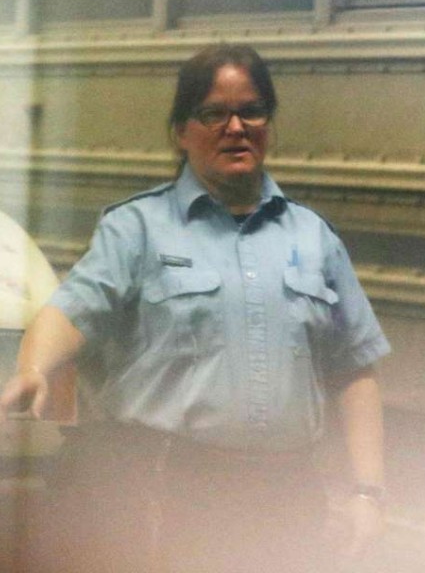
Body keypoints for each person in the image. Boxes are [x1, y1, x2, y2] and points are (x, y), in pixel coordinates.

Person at [0, 44, 390, 573]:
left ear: (268, 123)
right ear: (181, 131)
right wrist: (32, 367)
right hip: (166, 491)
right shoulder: (138, 228)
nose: (236, 127)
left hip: (287, 496)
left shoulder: (313, 237)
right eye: (213, 113)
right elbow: (71, 311)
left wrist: (369, 493)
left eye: (251, 110)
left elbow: (354, 369)